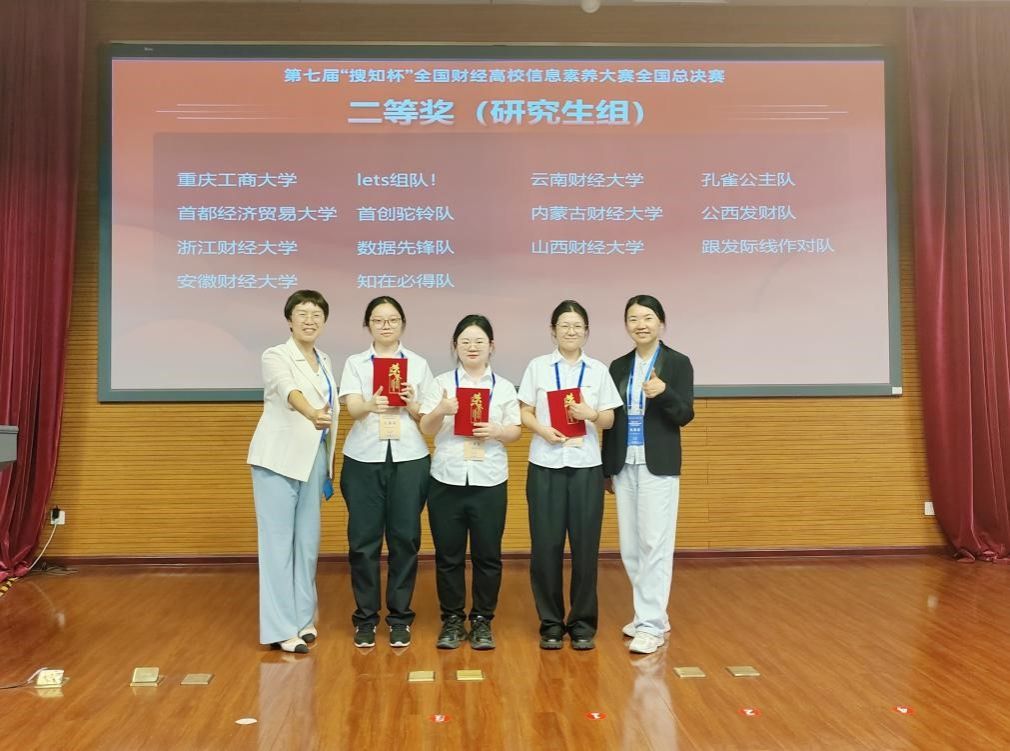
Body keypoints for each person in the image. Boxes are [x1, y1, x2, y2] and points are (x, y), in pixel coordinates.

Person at [518, 300, 622, 650]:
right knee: (545, 547)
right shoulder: (538, 367)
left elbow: (609, 419)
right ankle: (550, 623)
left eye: (577, 326)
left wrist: (590, 413)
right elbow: (524, 411)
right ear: (553, 331)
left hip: (585, 467)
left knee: (585, 547)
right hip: (545, 464)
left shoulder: (598, 370)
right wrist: (543, 430)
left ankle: (582, 624)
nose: (571, 331)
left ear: (587, 332)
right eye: (564, 325)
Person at [418, 315, 522, 650]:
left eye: (479, 341)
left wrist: (497, 430)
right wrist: (441, 409)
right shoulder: (441, 383)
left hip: (489, 480)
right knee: (448, 555)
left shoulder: (503, 387)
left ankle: (482, 620)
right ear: (455, 346)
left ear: (491, 346)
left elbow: (516, 430)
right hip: (446, 480)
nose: (472, 347)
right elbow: (426, 429)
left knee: (487, 555)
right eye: (465, 341)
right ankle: (451, 619)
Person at [338, 296, 434, 648]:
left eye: (392, 320)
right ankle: (365, 618)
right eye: (378, 320)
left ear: (402, 324)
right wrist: (370, 403)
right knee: (363, 542)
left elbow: (427, 418)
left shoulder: (419, 364)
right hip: (364, 458)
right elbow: (352, 408)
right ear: (368, 326)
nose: (386, 326)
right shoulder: (355, 362)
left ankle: (399, 618)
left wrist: (413, 403)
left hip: (409, 457)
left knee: (405, 539)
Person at [602, 294, 694, 655]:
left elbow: (685, 415)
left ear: (661, 323)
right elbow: (611, 420)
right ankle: (650, 615)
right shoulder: (618, 366)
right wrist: (607, 469)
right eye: (633, 319)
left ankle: (651, 625)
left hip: (659, 464)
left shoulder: (678, 363)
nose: (640, 325)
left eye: (647, 318)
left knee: (655, 543)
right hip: (625, 463)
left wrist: (664, 392)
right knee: (631, 546)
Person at [247, 289, 337, 653]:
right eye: (302, 313)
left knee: (307, 543)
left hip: (313, 459)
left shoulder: (325, 359)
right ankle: (280, 629)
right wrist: (311, 412)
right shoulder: (275, 355)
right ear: (289, 320)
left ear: (324, 321)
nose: (309, 320)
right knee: (277, 545)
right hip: (278, 460)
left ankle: (302, 618)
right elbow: (289, 390)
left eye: (316, 314)